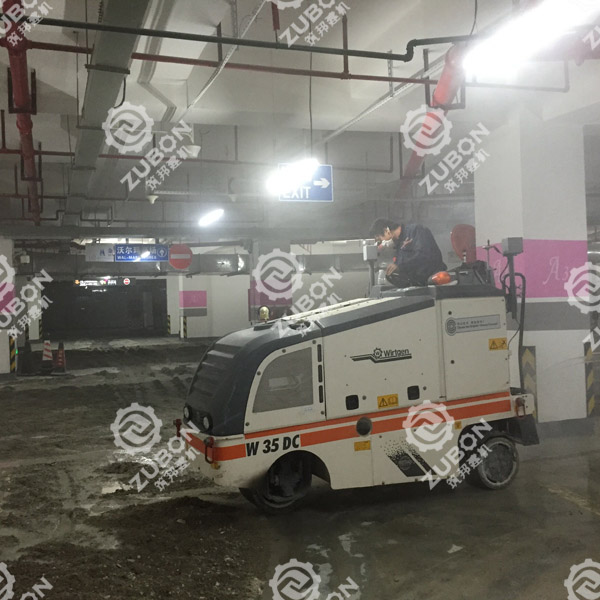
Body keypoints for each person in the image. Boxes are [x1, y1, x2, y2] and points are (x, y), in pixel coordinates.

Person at [369, 218, 447, 288]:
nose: (382, 244)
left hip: (434, 282)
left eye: (380, 240)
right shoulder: (399, 247)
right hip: (418, 287)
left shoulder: (415, 230)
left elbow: (425, 255)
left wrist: (400, 266)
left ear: (386, 231)